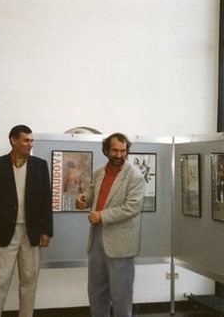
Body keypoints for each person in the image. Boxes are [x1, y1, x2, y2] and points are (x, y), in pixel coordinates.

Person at [0, 125, 53, 317]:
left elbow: (46, 200)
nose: (30, 144)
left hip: (32, 233)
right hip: (5, 233)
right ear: (14, 140)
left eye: (31, 140)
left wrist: (46, 230)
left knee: (29, 281)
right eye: (26, 140)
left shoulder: (39, 165)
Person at [76, 132, 146, 317]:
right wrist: (83, 200)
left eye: (123, 151)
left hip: (121, 244)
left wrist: (102, 216)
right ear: (106, 150)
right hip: (97, 239)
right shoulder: (99, 172)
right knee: (96, 291)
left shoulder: (135, 176)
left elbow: (133, 207)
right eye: (114, 150)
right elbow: (93, 196)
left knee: (121, 295)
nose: (119, 155)